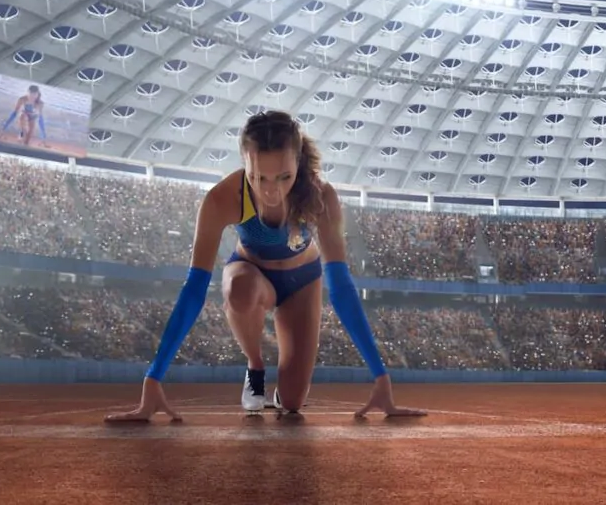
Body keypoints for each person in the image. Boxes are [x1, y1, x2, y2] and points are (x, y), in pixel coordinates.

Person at [105, 110, 425, 422]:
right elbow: (194, 288)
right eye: (259, 177)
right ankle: (255, 366)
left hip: (302, 282)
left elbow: (341, 286)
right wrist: (153, 378)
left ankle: (281, 393)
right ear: (244, 162)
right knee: (239, 290)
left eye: (284, 177)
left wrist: (381, 377)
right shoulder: (222, 199)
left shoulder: (321, 197)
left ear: (298, 163)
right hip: (252, 274)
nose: (271, 190)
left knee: (293, 402)